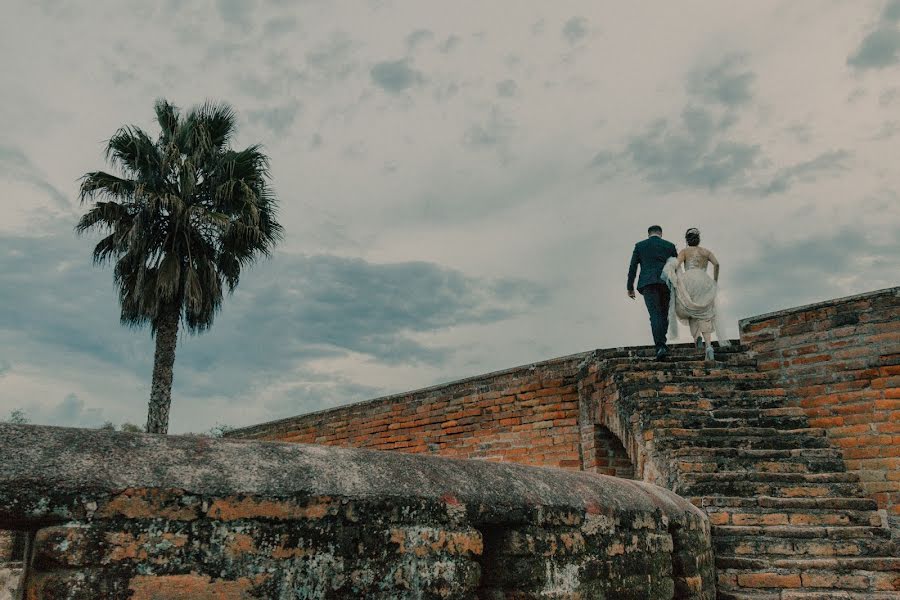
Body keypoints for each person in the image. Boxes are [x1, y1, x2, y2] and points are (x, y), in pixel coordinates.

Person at [662, 227, 730, 361]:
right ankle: (709, 346)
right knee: (705, 313)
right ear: (699, 239)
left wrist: (671, 271)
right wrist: (715, 281)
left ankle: (696, 337)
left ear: (687, 240)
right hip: (704, 282)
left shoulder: (685, 251)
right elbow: (717, 264)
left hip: (689, 281)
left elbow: (676, 265)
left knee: (692, 311)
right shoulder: (706, 252)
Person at [627, 225, 678, 360]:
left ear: (648, 234)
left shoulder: (640, 246)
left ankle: (660, 346)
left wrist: (630, 287)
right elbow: (676, 267)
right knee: (664, 313)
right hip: (666, 283)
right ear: (661, 233)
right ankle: (662, 343)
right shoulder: (670, 246)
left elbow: (633, 267)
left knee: (654, 314)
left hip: (648, 283)